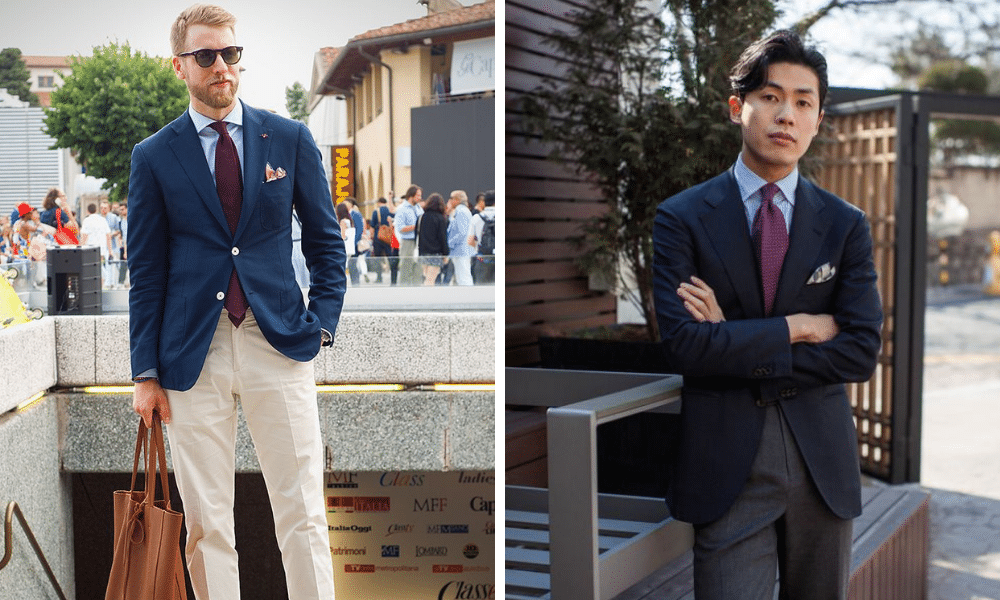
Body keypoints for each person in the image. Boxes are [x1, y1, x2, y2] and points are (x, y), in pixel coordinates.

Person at [651, 30, 883, 600]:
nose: (788, 115)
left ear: (818, 119)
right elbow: (684, 346)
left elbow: (859, 350)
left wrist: (731, 339)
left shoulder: (844, 224)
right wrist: (797, 328)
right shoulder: (682, 218)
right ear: (739, 108)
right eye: (772, 97)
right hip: (728, 464)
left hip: (820, 464)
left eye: (804, 102)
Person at [127, 5, 346, 599]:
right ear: (181, 66)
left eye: (230, 53)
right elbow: (145, 273)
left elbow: (328, 245)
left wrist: (322, 325)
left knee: (303, 512)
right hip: (193, 356)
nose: (222, 65)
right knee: (206, 524)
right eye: (206, 56)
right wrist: (145, 373)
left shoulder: (291, 138)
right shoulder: (153, 156)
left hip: (278, 343)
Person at [394, 185, 424, 286]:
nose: (420, 198)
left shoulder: (418, 207)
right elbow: (401, 228)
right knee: (406, 268)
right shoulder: (402, 209)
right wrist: (416, 226)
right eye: (418, 195)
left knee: (418, 268)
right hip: (408, 242)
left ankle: (416, 290)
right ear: (411, 196)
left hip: (419, 241)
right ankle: (404, 291)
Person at [416, 193, 448, 285]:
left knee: (426, 278)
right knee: (430, 280)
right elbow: (443, 237)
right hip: (436, 254)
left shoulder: (422, 217)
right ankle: (427, 298)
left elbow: (419, 235)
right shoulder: (440, 218)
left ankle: (425, 297)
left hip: (423, 252)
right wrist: (445, 253)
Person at [79, 202, 113, 282]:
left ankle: (94, 282)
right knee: (99, 266)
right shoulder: (103, 220)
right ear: (96, 210)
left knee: (90, 267)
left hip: (89, 248)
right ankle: (101, 283)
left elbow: (84, 236)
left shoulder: (86, 220)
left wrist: (80, 247)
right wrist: (110, 250)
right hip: (101, 248)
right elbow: (108, 235)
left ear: (87, 211)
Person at [446, 189, 475, 285]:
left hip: (461, 251)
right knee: (461, 277)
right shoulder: (461, 211)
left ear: (457, 199)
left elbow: (462, 233)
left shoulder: (462, 212)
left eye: (451, 198)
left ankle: (468, 297)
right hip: (460, 250)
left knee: (463, 277)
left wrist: (450, 243)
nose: (449, 200)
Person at [467, 190, 495, 284]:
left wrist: (478, 243)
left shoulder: (476, 218)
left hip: (481, 258)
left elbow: (470, 241)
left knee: (481, 290)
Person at [369, 197, 396, 285]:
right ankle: (393, 276)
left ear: (379, 202)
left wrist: (371, 235)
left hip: (378, 236)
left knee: (378, 258)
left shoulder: (376, 211)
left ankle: (379, 277)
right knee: (390, 256)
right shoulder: (390, 210)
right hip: (389, 237)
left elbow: (372, 226)